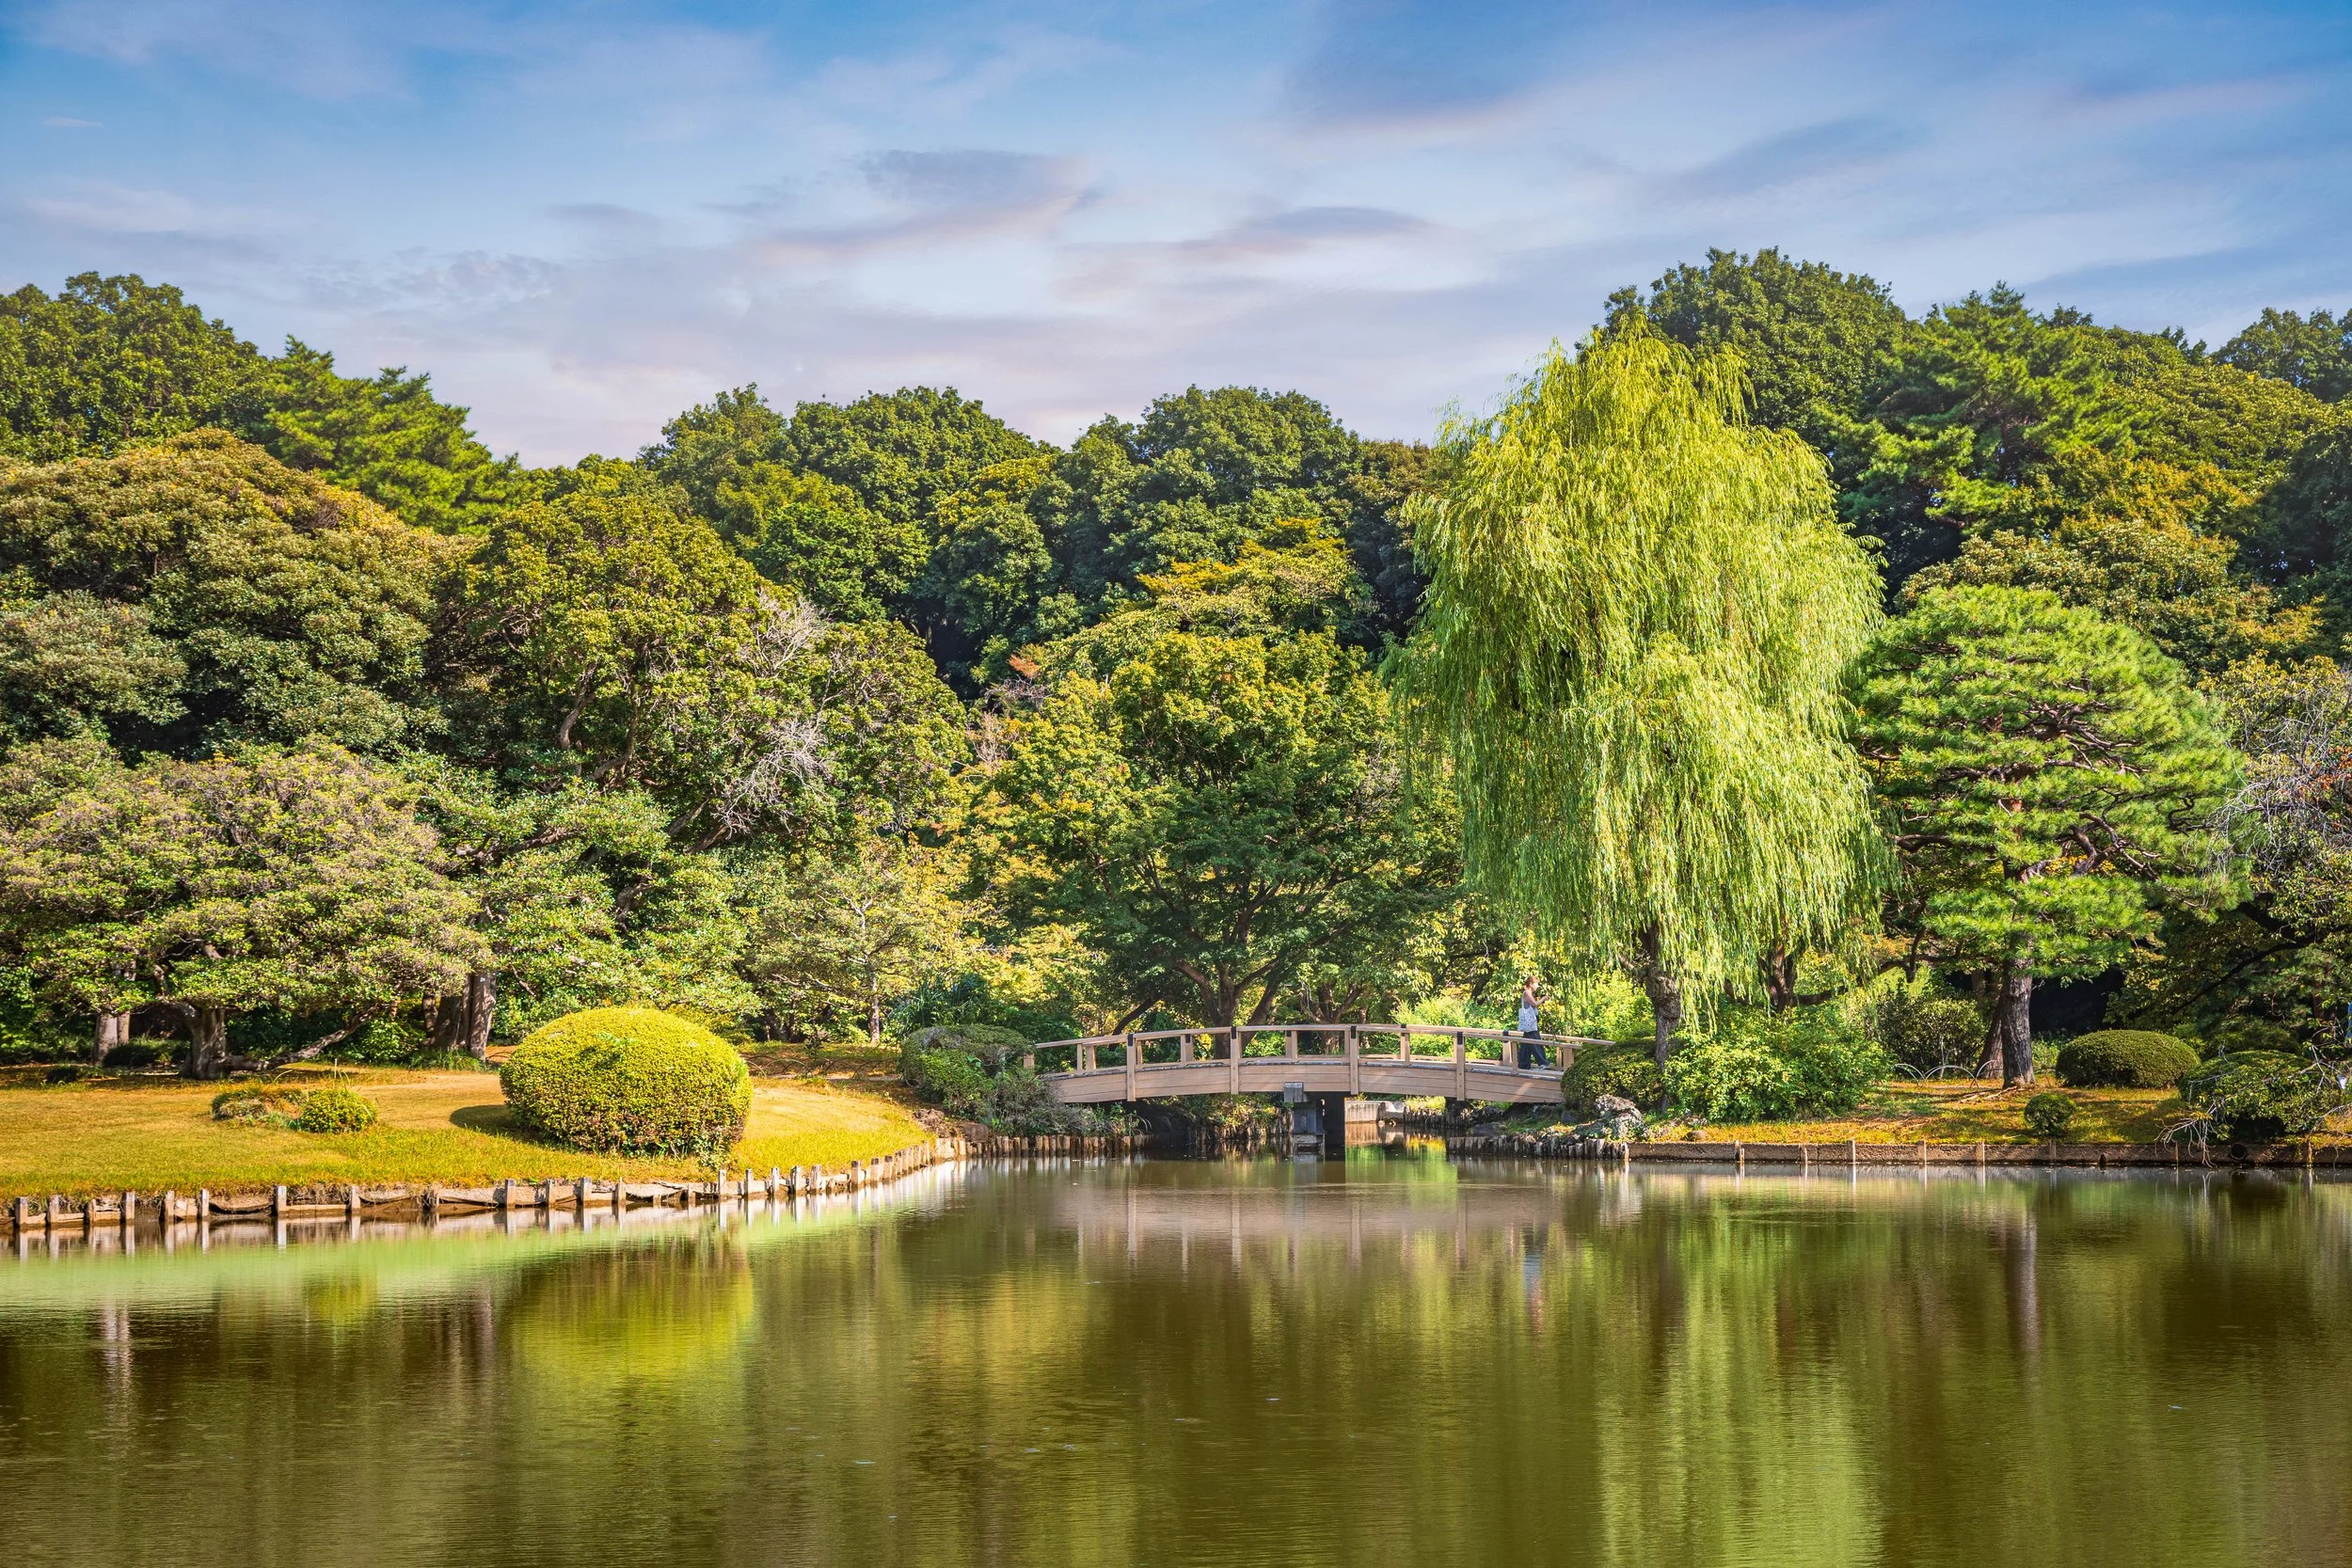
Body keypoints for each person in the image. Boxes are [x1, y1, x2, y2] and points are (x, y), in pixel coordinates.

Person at [1517, 975, 1547, 1067]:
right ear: (1531, 984)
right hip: (1530, 1023)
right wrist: (1543, 999)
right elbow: (1534, 1004)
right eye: (1536, 983)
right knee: (1536, 1041)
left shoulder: (1530, 993)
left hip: (1530, 1022)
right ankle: (1543, 1063)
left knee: (1526, 1042)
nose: (1537, 985)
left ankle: (1524, 1064)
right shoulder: (1527, 993)